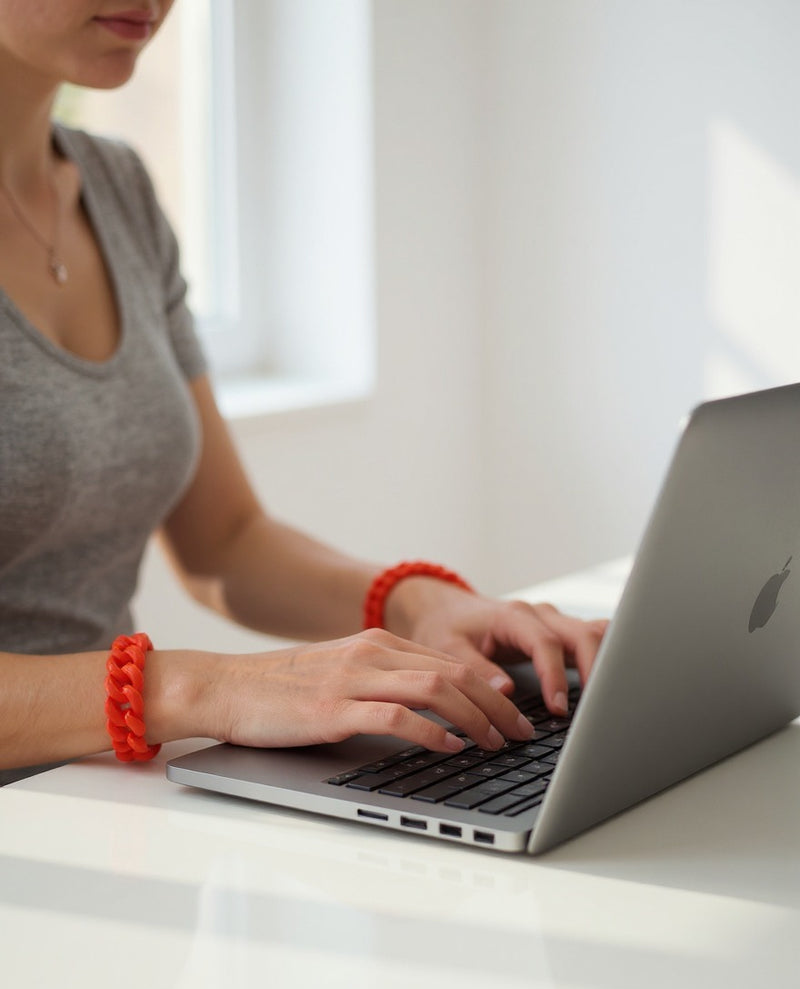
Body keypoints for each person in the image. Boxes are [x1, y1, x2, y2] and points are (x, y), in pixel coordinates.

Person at [0, 1, 606, 782]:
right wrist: (202, 688)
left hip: (90, 801)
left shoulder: (117, 190)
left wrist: (419, 605)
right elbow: (194, 677)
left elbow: (226, 545)